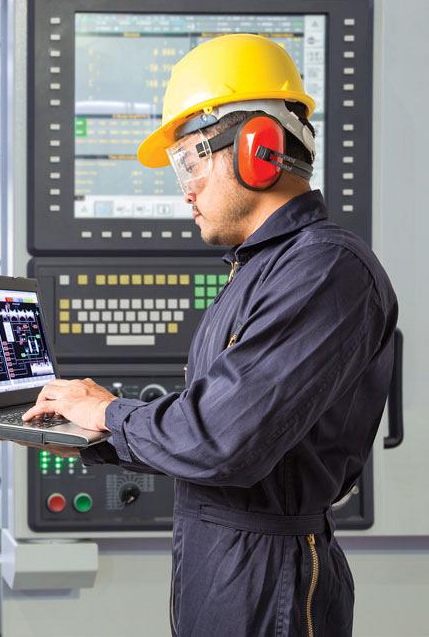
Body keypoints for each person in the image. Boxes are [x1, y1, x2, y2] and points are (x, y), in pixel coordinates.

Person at [22, 34, 398, 636]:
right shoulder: (260, 269)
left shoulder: (325, 269)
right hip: (221, 564)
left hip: (268, 582)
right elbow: (209, 423)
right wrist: (86, 432)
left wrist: (110, 413)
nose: (185, 188)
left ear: (258, 147)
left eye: (190, 161)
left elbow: (222, 440)